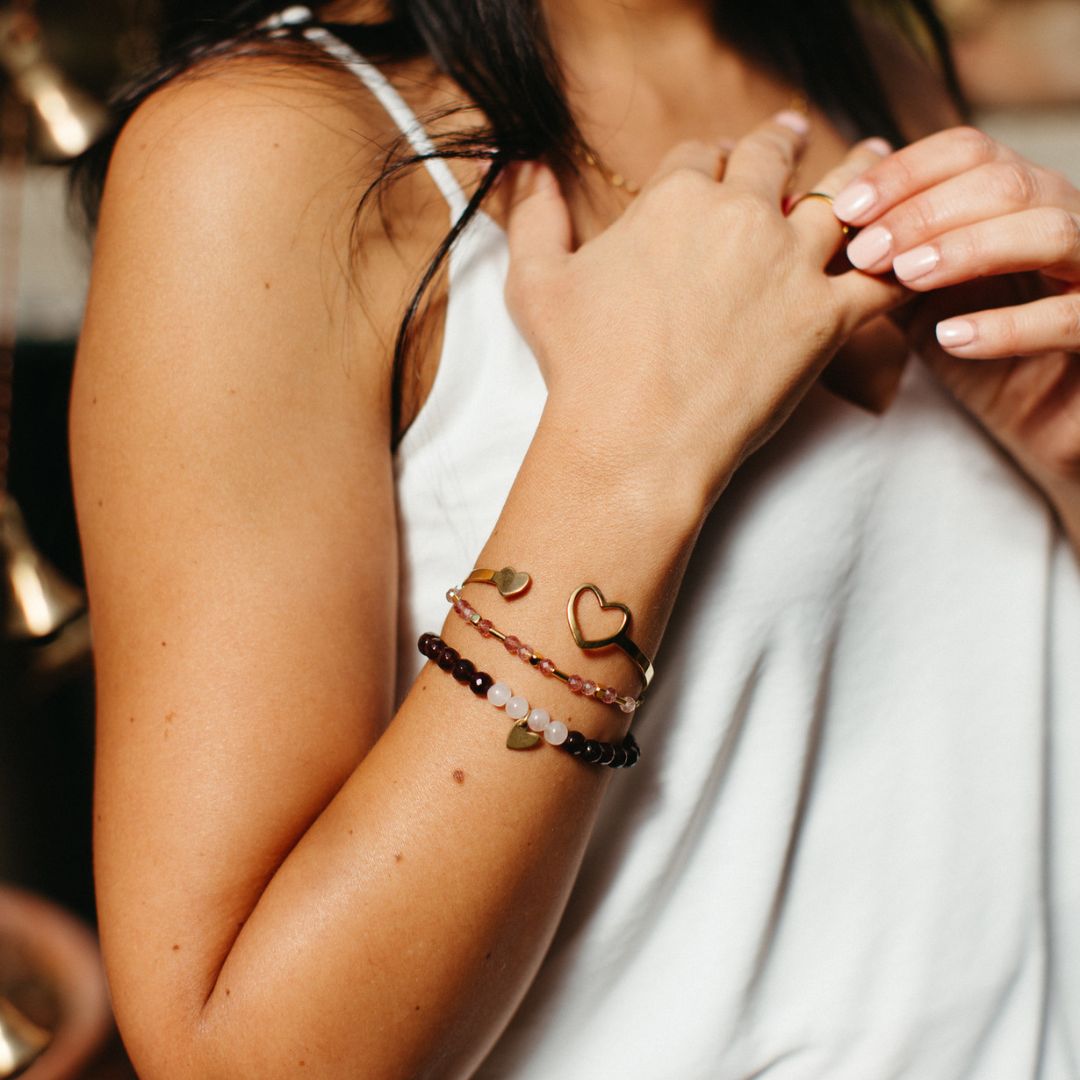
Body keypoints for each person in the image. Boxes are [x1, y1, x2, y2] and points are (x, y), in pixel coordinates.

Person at [70, 1, 1080, 1076]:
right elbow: (235, 1059)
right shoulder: (258, 154)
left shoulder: (868, 60)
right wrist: (633, 457)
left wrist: (1063, 454)